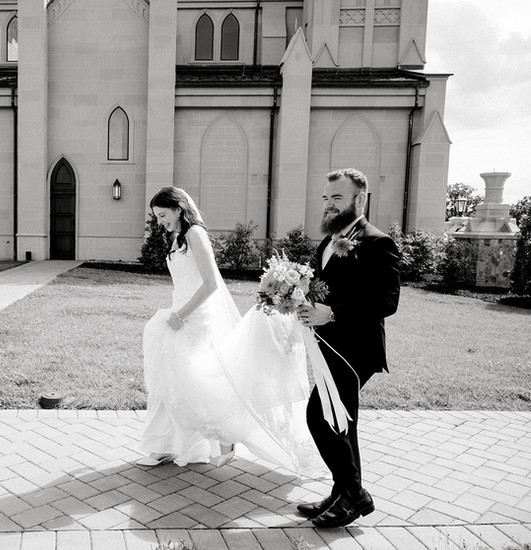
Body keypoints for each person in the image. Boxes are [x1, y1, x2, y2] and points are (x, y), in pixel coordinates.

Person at [137, 186, 321, 475]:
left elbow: (210, 284)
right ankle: (169, 445)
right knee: (172, 378)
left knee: (195, 378)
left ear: (178, 208)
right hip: (180, 312)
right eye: (157, 217)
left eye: (162, 215)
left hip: (194, 317)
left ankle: (225, 438)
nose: (160, 222)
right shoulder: (177, 237)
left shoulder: (195, 234)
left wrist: (181, 315)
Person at [296, 168, 400, 528]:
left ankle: (355, 495)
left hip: (356, 349)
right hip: (327, 347)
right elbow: (320, 287)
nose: (328, 205)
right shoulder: (328, 241)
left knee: (320, 417)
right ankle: (342, 492)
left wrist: (333, 314)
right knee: (341, 424)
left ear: (360, 199)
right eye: (326, 198)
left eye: (336, 198)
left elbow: (387, 301)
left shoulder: (377, 242)